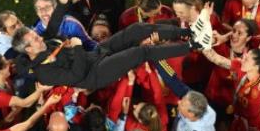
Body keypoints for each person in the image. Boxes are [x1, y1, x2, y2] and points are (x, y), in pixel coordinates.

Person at [12, 21, 207, 91]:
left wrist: (72, 44)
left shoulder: (44, 45)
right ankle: (193, 45)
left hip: (95, 54)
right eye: (35, 40)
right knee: (141, 52)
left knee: (136, 30)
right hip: (94, 74)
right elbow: (76, 76)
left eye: (36, 36)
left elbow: (62, 43)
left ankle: (186, 32)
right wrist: (78, 48)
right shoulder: (43, 73)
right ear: (28, 50)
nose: (39, 39)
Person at [203, 48, 260, 131]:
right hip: (236, 117)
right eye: (244, 56)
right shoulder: (241, 67)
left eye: (246, 59)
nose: (242, 59)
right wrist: (202, 44)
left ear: (256, 67)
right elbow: (217, 59)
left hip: (253, 130)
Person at [0, 53, 49, 125]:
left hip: (16, 112)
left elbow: (23, 68)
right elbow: (26, 103)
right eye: (6, 65)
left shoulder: (3, 78)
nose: (9, 65)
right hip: (11, 124)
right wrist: (40, 90)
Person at [32, 0, 98, 51]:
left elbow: (90, 45)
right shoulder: (35, 33)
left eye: (47, 7)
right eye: (39, 8)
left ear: (55, 8)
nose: (43, 12)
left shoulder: (72, 25)